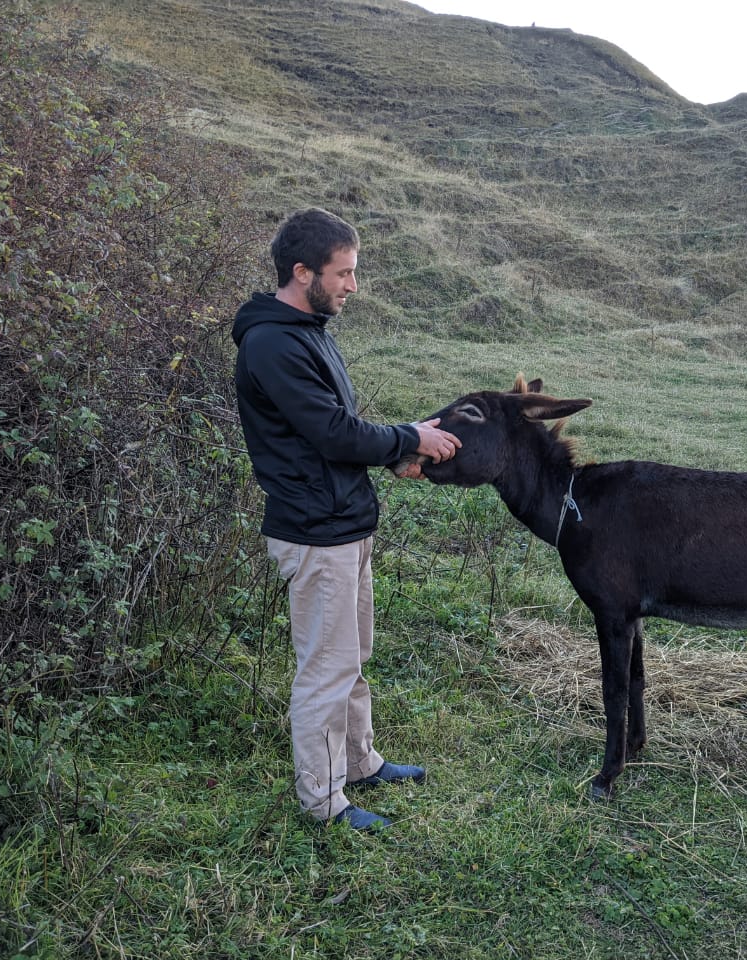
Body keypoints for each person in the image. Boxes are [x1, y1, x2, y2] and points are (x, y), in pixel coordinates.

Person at [232, 207, 460, 832]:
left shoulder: (308, 330)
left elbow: (332, 433)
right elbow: (332, 431)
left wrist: (394, 455)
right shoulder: (273, 342)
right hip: (314, 529)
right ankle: (323, 801)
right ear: (302, 271)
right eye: (343, 273)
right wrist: (408, 435)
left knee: (351, 655)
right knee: (326, 670)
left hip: (343, 520)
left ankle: (358, 761)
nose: (352, 286)